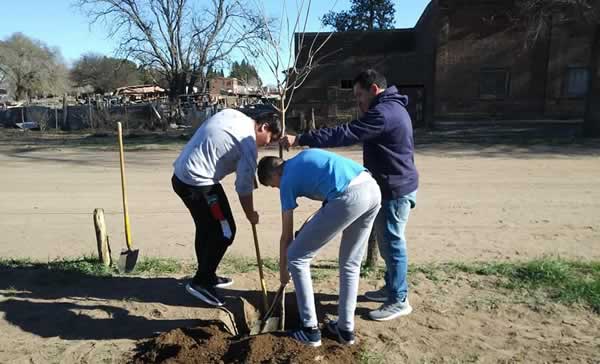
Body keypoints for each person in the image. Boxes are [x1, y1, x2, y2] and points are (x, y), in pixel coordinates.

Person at [280, 69, 419, 321]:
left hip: (394, 188)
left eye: (359, 95)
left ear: (374, 90)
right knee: (388, 242)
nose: (358, 102)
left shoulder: (383, 114)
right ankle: (392, 288)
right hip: (392, 184)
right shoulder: (392, 108)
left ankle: (399, 299)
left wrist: (301, 138)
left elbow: (345, 133)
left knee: (392, 243)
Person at [257, 149, 381, 347]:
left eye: (273, 185)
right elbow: (331, 189)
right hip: (372, 189)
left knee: (297, 256)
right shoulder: (304, 158)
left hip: (348, 197)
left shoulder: (286, 180)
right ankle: (345, 329)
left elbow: (286, 236)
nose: (277, 188)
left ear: (274, 174)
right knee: (350, 263)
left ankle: (310, 330)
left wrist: (283, 272)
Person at [172, 108, 281, 307]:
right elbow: (243, 188)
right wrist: (251, 215)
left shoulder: (234, 114)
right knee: (225, 231)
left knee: (207, 228)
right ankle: (201, 282)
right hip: (197, 184)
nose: (267, 145)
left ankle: (207, 273)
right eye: (270, 139)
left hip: (182, 176)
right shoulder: (248, 144)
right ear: (264, 127)